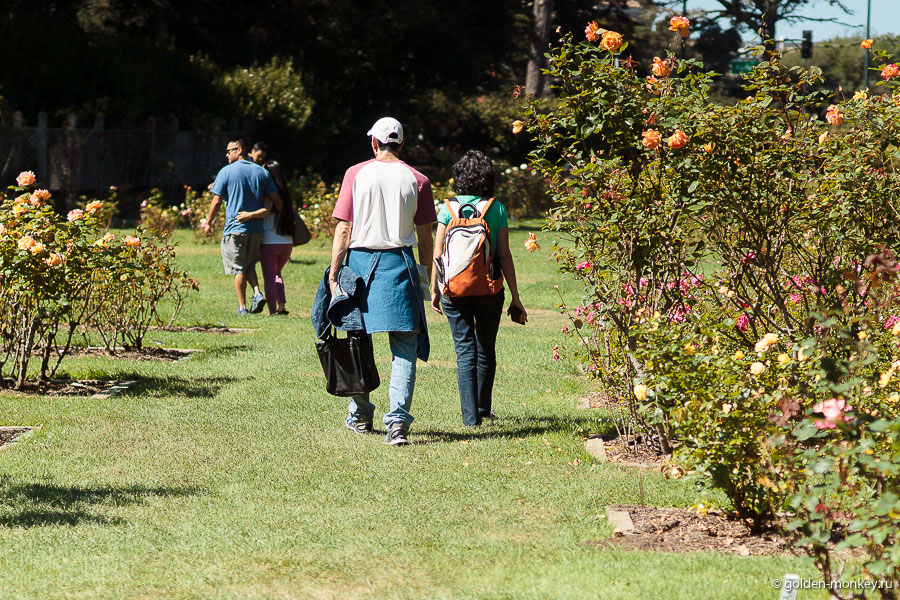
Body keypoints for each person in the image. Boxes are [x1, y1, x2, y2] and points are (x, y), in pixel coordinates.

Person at [330, 117, 436, 446]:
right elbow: (425, 237)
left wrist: (334, 272)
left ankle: (360, 415)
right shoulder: (418, 179)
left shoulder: (355, 174)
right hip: (400, 264)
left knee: (356, 341)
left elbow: (344, 229)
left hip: (360, 264)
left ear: (374, 143)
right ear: (400, 144)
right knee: (404, 348)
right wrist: (428, 279)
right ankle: (398, 425)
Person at [430, 150, 527, 427]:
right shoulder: (496, 209)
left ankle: (470, 418)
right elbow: (505, 255)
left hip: (453, 290)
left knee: (464, 351)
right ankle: (484, 407)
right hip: (489, 289)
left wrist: (435, 291)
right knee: (486, 347)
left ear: (458, 178)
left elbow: (438, 254)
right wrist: (516, 297)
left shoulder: (446, 209)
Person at [204, 137, 281, 314]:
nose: (226, 154)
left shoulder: (227, 171)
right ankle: (257, 293)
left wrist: (208, 222)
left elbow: (216, 201)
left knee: (238, 269)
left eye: (229, 151)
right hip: (256, 229)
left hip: (235, 228)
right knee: (250, 265)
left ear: (239, 150)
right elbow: (275, 198)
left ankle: (242, 307)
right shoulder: (261, 172)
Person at [260, 160, 296, 315]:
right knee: (277, 273)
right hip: (287, 242)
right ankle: (281, 306)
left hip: (269, 241)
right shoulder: (287, 195)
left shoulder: (267, 195)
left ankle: (272, 310)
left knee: (269, 277)